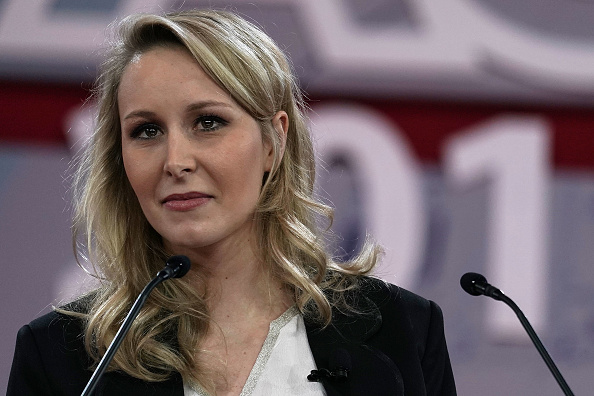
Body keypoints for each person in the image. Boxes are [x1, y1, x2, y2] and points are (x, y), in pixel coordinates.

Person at [7, 9, 456, 396]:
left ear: (272, 142)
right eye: (146, 131)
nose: (175, 161)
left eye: (208, 122)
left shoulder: (403, 332)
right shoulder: (60, 358)